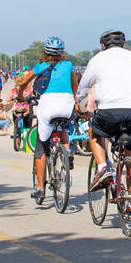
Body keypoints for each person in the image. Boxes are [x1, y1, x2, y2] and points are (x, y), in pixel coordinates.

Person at [81, 30, 131, 194]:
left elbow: (83, 88)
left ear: (103, 46)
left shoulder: (97, 59)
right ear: (123, 45)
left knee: (94, 132)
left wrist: (83, 109)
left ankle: (102, 168)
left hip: (110, 111)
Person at [14, 37, 77, 202]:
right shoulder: (69, 65)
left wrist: (21, 96)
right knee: (63, 127)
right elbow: (74, 86)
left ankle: (41, 188)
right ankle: (66, 152)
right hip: (66, 103)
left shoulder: (40, 66)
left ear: (45, 51)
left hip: (48, 104)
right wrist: (75, 102)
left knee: (41, 147)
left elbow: (24, 82)